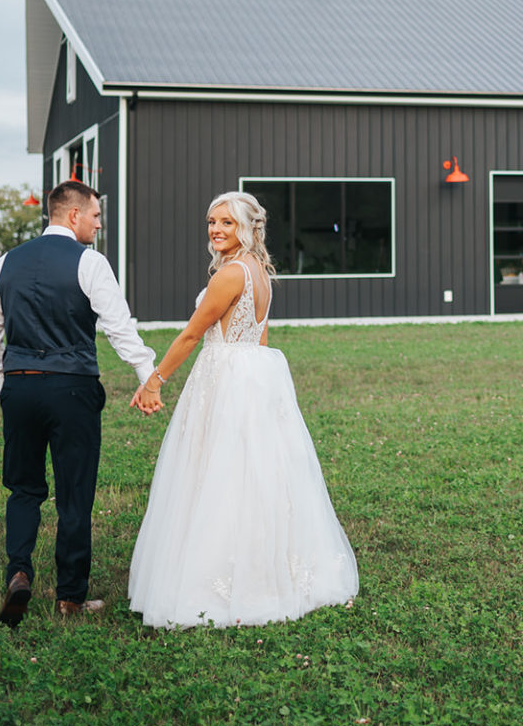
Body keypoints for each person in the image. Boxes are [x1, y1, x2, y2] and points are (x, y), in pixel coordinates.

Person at [125, 191, 358, 628]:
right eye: (212, 222)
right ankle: (266, 569)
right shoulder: (259, 273)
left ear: (248, 227)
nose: (216, 229)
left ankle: (218, 579)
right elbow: (260, 338)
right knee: (253, 473)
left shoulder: (231, 274)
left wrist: (155, 380)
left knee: (219, 473)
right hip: (250, 376)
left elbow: (192, 335)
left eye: (226, 222)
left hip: (226, 376)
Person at [0, 180, 158, 627]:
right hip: (72, 389)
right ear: (73, 215)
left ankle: (19, 572)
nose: (98, 224)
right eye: (95, 215)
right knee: (74, 494)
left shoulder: (5, 263)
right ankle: (70, 597)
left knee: (23, 488)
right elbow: (119, 327)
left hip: (20, 387)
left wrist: (7, 387)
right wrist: (147, 375)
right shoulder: (90, 262)